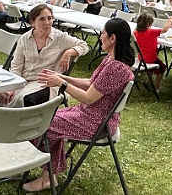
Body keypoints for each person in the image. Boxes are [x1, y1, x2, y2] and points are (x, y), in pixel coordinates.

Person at [21, 18, 134, 192]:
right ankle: (46, 175)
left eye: (103, 34)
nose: (100, 37)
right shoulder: (111, 59)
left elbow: (89, 98)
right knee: (45, 118)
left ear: (113, 38)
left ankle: (45, 175)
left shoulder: (116, 68)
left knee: (44, 123)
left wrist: (60, 83)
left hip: (96, 123)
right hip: (90, 115)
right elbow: (91, 83)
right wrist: (62, 76)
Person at [0, 4, 89, 108]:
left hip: (47, 82)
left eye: (49, 18)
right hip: (25, 79)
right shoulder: (24, 39)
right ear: (33, 22)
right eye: (42, 19)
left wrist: (69, 52)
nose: (47, 22)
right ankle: (6, 120)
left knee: (24, 99)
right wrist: (12, 87)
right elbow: (16, 66)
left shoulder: (60, 37)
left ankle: (25, 122)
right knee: (4, 93)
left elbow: (84, 46)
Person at [134, 13, 168, 90]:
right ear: (148, 24)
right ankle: (156, 86)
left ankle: (148, 81)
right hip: (150, 58)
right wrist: (170, 21)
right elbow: (165, 30)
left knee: (150, 67)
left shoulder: (136, 32)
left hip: (141, 58)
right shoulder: (151, 32)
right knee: (162, 68)